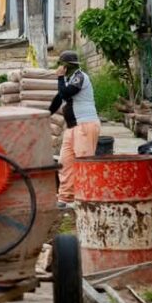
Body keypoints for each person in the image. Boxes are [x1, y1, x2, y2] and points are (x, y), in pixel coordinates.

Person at [49, 50, 99, 208]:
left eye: (64, 65)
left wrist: (59, 77)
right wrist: (45, 114)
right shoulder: (69, 79)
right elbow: (59, 98)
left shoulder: (80, 77)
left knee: (83, 163)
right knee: (65, 162)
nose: (62, 68)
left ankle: (85, 197)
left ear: (69, 66)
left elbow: (65, 92)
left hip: (85, 125)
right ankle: (66, 197)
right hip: (72, 128)